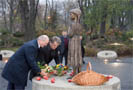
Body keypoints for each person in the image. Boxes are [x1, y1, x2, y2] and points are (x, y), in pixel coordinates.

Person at [67, 8, 83, 77]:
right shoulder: (79, 24)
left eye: (71, 14)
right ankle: (79, 72)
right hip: (78, 41)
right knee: (78, 55)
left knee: (73, 55)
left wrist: (68, 31)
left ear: (75, 15)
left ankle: (74, 73)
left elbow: (70, 34)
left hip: (73, 41)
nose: (70, 16)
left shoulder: (72, 24)